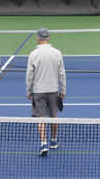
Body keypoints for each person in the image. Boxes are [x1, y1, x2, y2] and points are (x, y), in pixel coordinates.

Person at [26, 28, 66, 157]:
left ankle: (43, 144)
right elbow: (62, 73)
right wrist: (63, 90)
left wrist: (29, 90)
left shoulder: (33, 54)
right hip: (53, 91)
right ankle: (53, 142)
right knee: (54, 117)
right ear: (49, 38)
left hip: (38, 91)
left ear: (37, 38)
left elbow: (29, 75)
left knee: (41, 118)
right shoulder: (57, 53)